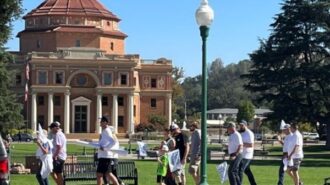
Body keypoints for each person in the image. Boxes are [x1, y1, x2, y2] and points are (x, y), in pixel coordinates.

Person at [96, 116, 119, 185]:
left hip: (105, 156)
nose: (100, 123)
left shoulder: (106, 131)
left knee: (101, 174)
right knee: (106, 174)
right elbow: (103, 142)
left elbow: (113, 142)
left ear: (105, 122)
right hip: (104, 156)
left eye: (101, 122)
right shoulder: (105, 131)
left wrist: (105, 148)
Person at [238, 120, 257, 185]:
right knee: (247, 171)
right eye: (240, 125)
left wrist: (241, 144)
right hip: (242, 154)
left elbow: (251, 145)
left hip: (247, 155)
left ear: (245, 125)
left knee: (240, 170)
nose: (240, 126)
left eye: (242, 125)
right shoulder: (241, 133)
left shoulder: (249, 133)